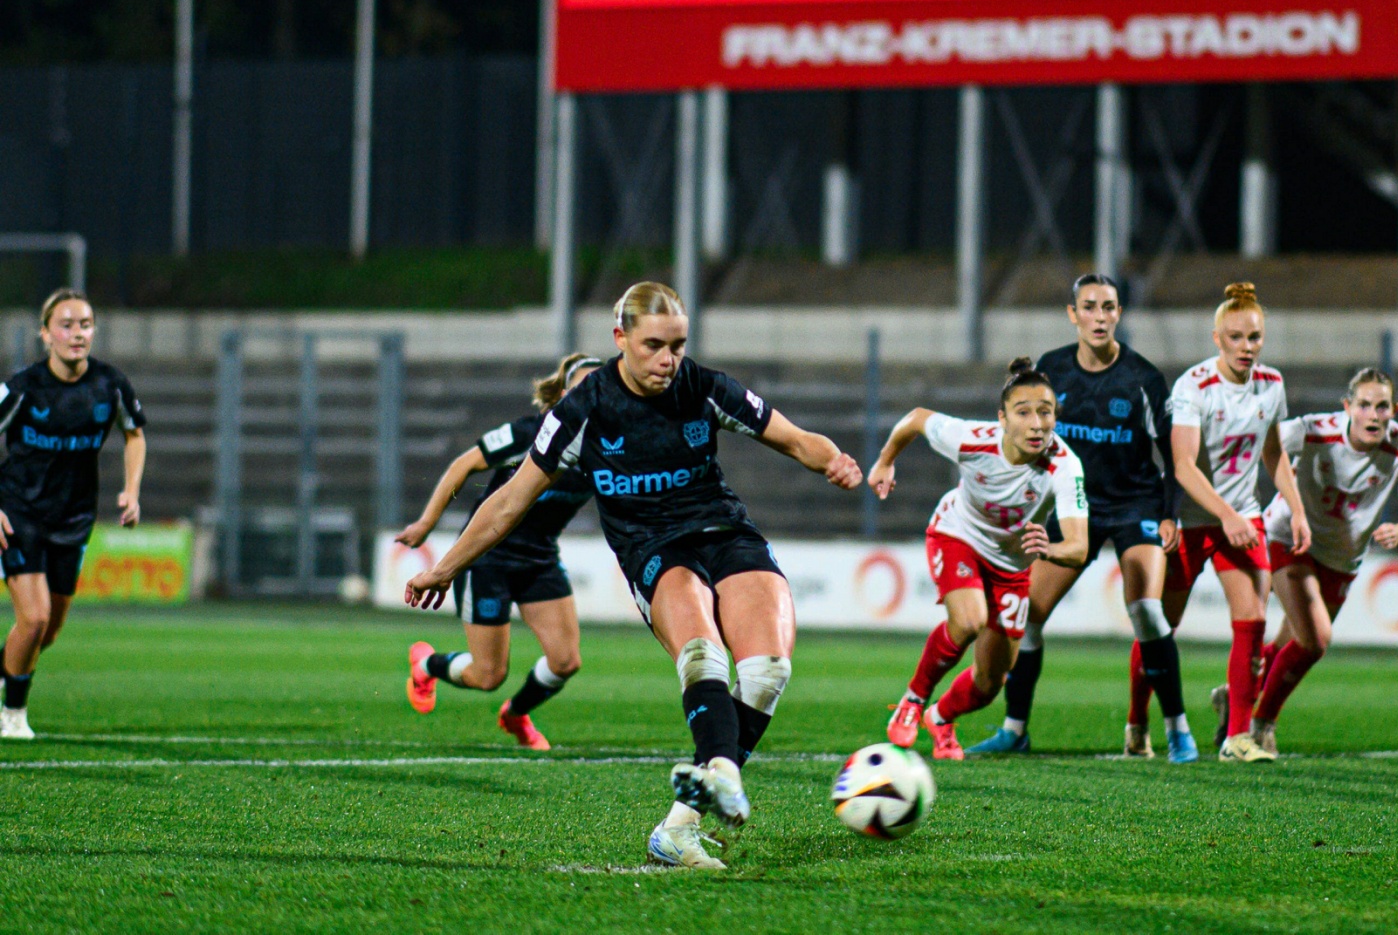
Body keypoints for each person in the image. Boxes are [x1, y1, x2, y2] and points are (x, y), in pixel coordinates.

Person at [403, 283, 861, 871]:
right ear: (620, 339)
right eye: (653, 346)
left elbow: (794, 438)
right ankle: (719, 770)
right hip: (652, 549)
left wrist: (835, 461)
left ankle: (681, 825)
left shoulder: (703, 386)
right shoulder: (583, 410)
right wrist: (445, 567)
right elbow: (509, 500)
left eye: (678, 345)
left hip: (724, 532)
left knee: (768, 672)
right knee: (705, 655)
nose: (668, 360)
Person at [967, 274, 1198, 763]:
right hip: (1075, 507)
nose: (1099, 316)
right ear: (1072, 314)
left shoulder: (1144, 378)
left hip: (1135, 504)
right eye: (1089, 307)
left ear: (1119, 314)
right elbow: (1028, 436)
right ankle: (1015, 729)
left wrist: (1170, 515)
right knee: (1026, 617)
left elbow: (1173, 455)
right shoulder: (1051, 369)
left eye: (1109, 307)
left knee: (1147, 611)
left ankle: (1178, 728)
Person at [872, 358, 1089, 761]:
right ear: (1002, 419)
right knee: (968, 620)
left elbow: (1078, 547)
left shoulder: (1065, 465)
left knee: (991, 681)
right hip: (958, 535)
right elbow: (918, 418)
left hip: (1011, 567)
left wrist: (1051, 550)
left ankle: (939, 717)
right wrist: (886, 460)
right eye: (1024, 412)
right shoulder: (971, 439)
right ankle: (913, 699)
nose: (1037, 423)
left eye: (1046, 412)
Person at [399, 353, 602, 750]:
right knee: (488, 675)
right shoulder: (530, 434)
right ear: (564, 396)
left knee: (565, 661)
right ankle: (427, 664)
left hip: (539, 558)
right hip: (487, 559)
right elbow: (464, 464)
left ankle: (516, 714)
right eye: (583, 390)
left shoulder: (609, 449)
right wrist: (426, 523)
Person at [1250, 369, 1398, 755]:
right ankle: (1261, 723)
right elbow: (1264, 442)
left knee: (1292, 643)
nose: (1372, 414)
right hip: (1289, 536)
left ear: (1394, 410)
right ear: (1347, 407)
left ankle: (1235, 696)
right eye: (1363, 405)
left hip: (1342, 557)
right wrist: (1289, 503)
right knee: (1315, 640)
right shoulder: (1314, 430)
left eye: (1382, 406)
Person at [1166, 283, 1310, 763]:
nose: (1247, 347)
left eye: (1254, 337)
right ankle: (1138, 725)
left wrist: (1297, 507)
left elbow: (1274, 453)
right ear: (1216, 338)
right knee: (1161, 623)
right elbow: (1184, 466)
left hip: (1243, 516)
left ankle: (1237, 738)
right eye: (1236, 337)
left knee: (1252, 620)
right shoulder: (1192, 387)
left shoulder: (1272, 384)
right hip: (1192, 517)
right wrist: (1224, 516)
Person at [0, 290, 147, 741]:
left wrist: (132, 491)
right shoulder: (23, 387)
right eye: (65, 324)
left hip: (74, 519)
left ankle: (5, 671)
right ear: (45, 334)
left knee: (49, 632)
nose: (76, 333)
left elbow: (135, 435)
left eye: (84, 324)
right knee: (35, 618)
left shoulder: (110, 384)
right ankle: (12, 714)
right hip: (20, 514)